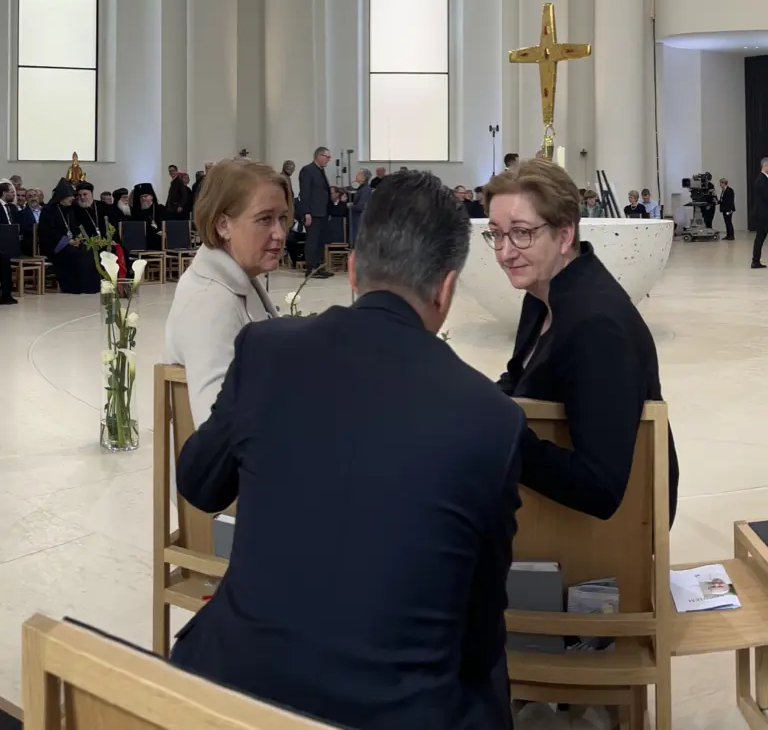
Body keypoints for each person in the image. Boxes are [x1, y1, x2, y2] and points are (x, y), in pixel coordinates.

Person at [171, 171, 524, 730]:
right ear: (446, 289)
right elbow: (479, 631)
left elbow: (198, 482)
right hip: (395, 711)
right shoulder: (492, 417)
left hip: (235, 689)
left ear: (354, 271)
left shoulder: (266, 351)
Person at [485, 160, 679, 524]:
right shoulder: (542, 292)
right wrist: (477, 403)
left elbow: (600, 488)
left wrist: (498, 437)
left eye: (521, 233)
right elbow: (519, 376)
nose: (505, 252)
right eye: (496, 234)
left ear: (564, 235)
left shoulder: (596, 327)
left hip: (615, 528)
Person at [165, 159, 286, 428]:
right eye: (265, 219)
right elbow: (217, 427)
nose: (279, 233)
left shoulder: (237, 279)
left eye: (283, 218)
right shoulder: (210, 302)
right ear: (223, 225)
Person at [38, 179, 100, 294]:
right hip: (55, 245)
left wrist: (77, 239)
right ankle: (74, 287)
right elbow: (48, 231)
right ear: (62, 196)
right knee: (74, 254)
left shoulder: (69, 209)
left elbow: (75, 228)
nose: (73, 198)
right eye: (71, 196)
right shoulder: (48, 210)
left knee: (88, 251)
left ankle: (90, 286)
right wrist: (67, 241)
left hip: (71, 242)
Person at [298, 147, 333, 278]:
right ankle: (311, 268)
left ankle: (318, 267)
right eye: (327, 157)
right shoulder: (308, 170)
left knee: (320, 241)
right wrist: (306, 212)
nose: (328, 160)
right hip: (313, 213)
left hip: (323, 212)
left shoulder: (321, 171)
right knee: (312, 241)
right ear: (319, 156)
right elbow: (304, 193)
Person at [131, 183, 168, 251]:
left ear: (152, 196)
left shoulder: (161, 209)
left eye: (145, 196)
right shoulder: (136, 212)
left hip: (161, 238)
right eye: (141, 197)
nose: (143, 198)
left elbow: (168, 223)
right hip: (144, 239)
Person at [751, 158, 768, 269]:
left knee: (760, 238)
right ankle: (755, 261)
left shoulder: (762, 179)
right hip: (764, 214)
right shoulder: (762, 180)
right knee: (760, 238)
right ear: (765, 166)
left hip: (762, 213)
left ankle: (755, 261)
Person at [349, 168, 373, 246]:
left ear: (364, 177)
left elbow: (361, 206)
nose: (356, 175)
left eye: (359, 174)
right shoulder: (361, 188)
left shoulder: (366, 190)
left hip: (360, 218)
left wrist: (351, 206)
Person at [19, 188, 43, 257]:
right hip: (31, 245)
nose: (33, 198)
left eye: (35, 195)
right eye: (30, 196)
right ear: (26, 200)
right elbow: (24, 229)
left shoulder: (46, 210)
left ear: (38, 197)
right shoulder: (22, 214)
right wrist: (40, 230)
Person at [719, 178, 736, 242]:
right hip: (724, 209)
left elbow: (729, 201)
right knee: (726, 222)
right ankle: (728, 235)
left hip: (728, 209)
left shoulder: (729, 190)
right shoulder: (723, 190)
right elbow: (722, 199)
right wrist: (718, 202)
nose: (720, 185)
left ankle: (731, 235)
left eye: (721, 183)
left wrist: (730, 210)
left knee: (729, 222)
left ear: (724, 183)